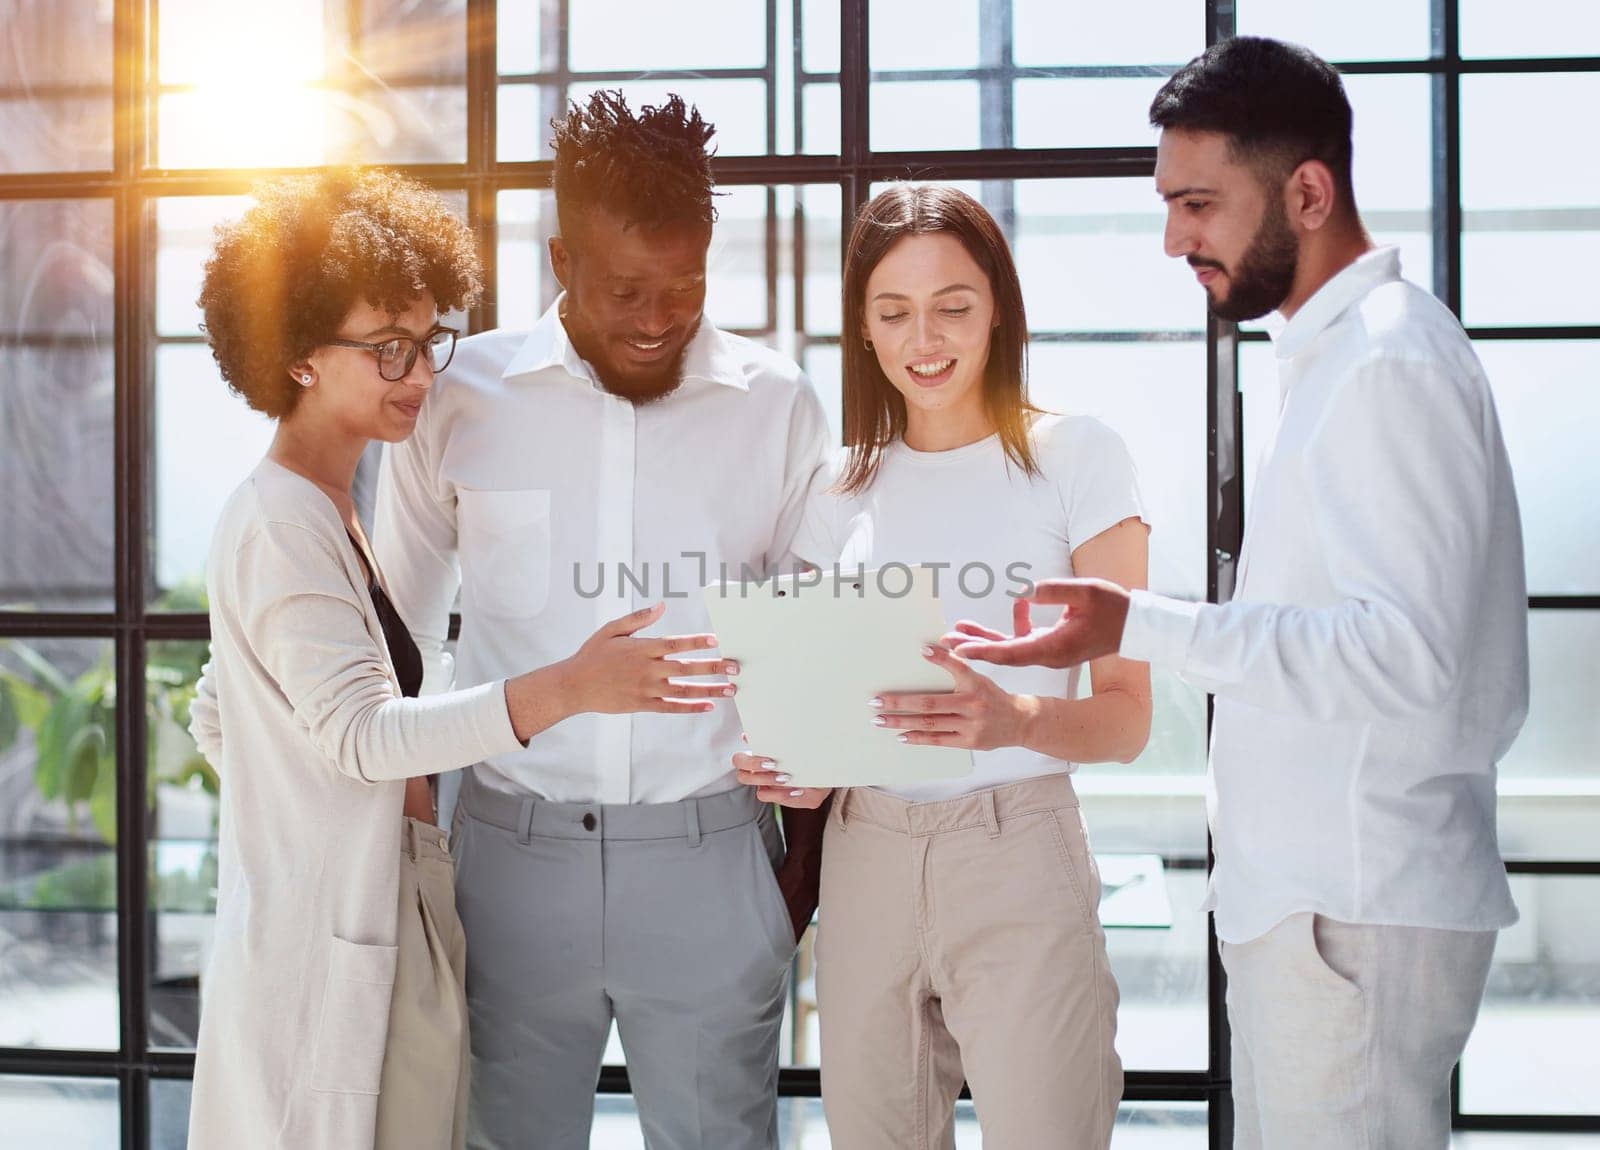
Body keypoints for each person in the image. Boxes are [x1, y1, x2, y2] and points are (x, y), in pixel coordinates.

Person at [952, 38, 1528, 1150]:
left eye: (1198, 204)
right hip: (1322, 911)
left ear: (1307, 191)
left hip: (1348, 913)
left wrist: (1138, 623)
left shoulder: (1387, 365)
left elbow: (1404, 657)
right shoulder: (1341, 359)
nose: (1175, 239)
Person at [184, 169, 729, 1150]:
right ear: (298, 352)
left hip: (374, 908)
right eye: (386, 348)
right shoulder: (279, 520)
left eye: (427, 342)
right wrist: (568, 686)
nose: (420, 375)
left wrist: (325, 816)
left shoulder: (325, 505)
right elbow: (356, 732)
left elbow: (221, 710)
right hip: (329, 952)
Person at [372, 91, 831, 1149]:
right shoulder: (458, 398)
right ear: (560, 259)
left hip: (711, 862)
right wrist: (414, 846)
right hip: (505, 865)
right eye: (626, 288)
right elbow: (391, 633)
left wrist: (789, 886)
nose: (659, 316)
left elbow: (813, 660)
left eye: (686, 285)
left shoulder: (779, 404)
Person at [738, 183, 1151, 1148]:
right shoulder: (838, 486)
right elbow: (816, 721)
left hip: (1018, 851)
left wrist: (1015, 718)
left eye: (953, 307)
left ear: (998, 307)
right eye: (893, 313)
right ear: (866, 331)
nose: (925, 338)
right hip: (867, 854)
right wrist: (792, 770)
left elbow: (1128, 715)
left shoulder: (1078, 458)